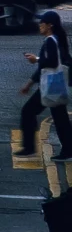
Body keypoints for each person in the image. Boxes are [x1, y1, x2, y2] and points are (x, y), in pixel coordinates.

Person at [19, 11, 72, 162]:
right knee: (60, 119)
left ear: (50, 25)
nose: (39, 25)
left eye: (42, 22)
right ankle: (68, 150)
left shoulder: (51, 41)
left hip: (51, 86)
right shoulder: (57, 39)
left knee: (28, 112)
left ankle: (29, 148)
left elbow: (52, 63)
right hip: (53, 85)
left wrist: (35, 59)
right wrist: (29, 83)